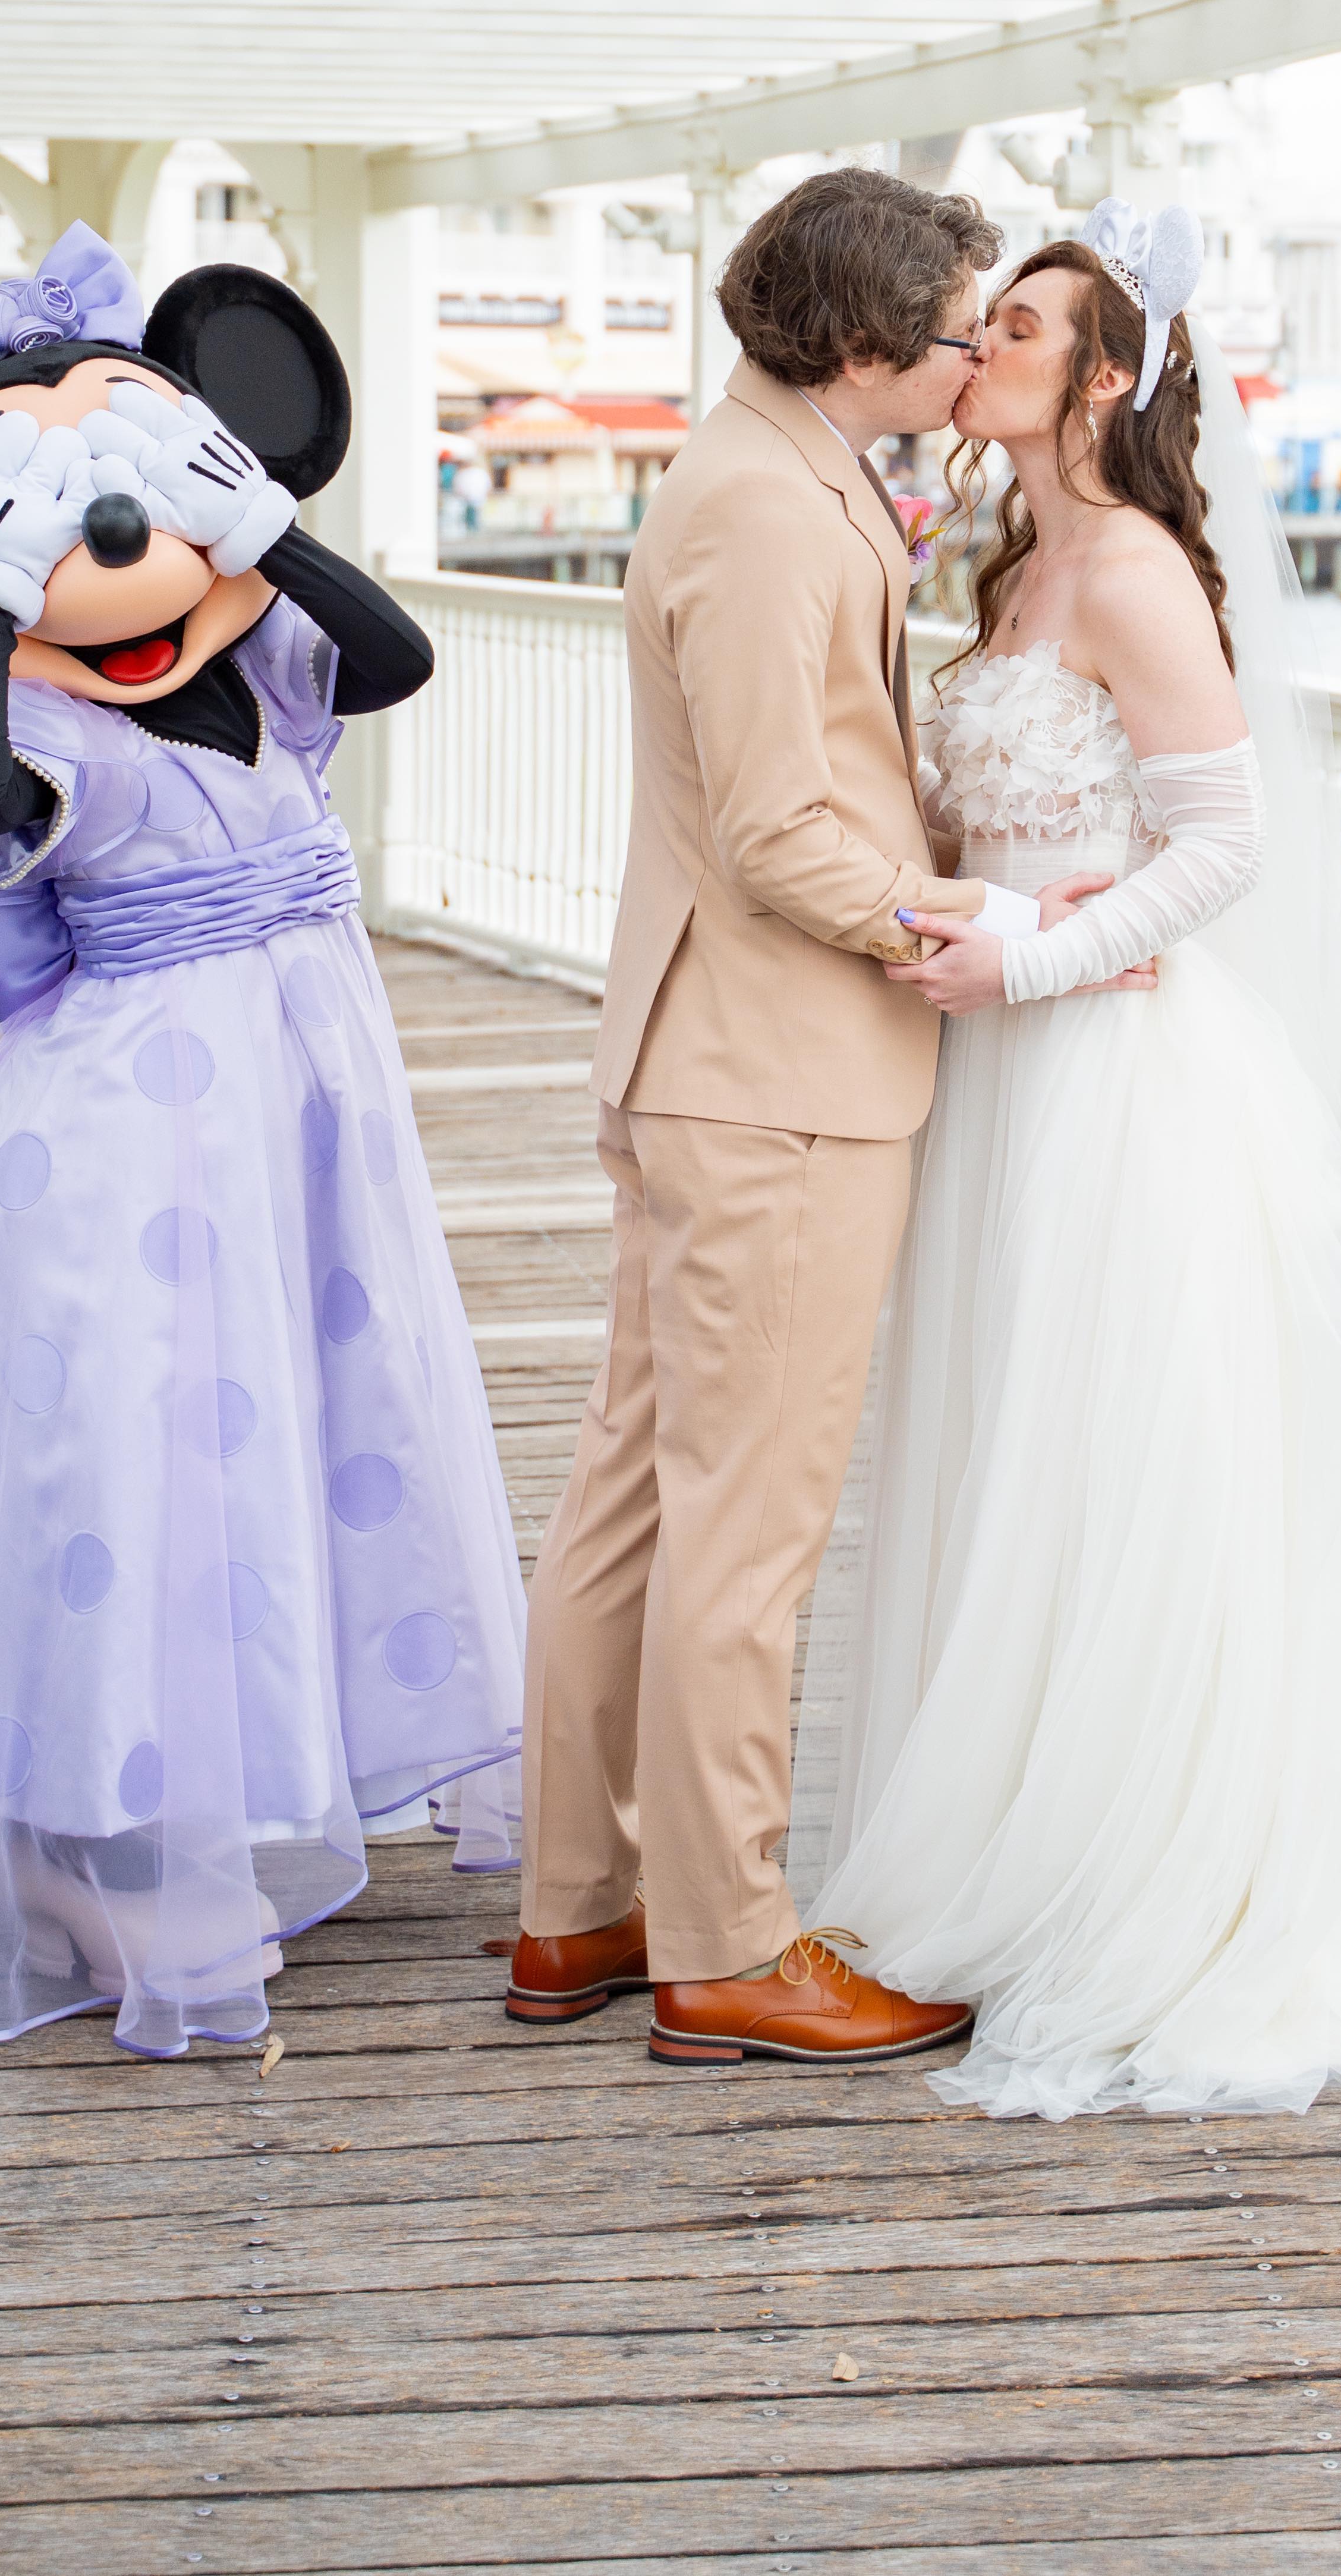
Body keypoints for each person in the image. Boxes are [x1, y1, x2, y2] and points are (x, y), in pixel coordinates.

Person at [791, 205, 1341, 2118]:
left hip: (1113, 1075)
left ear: (1096, 382)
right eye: (983, 319)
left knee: (1123, 1470)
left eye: (1021, 325)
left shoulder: (1137, 571)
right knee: (1014, 1464)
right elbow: (1013, 804)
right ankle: (1007, 1852)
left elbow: (1220, 847)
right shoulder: (1013, 562)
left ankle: (1149, 1894)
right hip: (1003, 1062)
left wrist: (1042, 947)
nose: (975, 342)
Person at [0, 229, 525, 2055]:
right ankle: (87, 1838)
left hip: (294, 1114)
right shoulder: (39, 720)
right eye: (38, 516)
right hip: (126, 1146)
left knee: (289, 1423)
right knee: (128, 1466)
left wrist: (266, 524)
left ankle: (229, 1779)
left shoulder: (270, 664)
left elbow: (404, 652)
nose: (111, 548)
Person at [509, 166, 1098, 2072]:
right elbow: (780, 836)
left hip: (709, 1062)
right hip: (777, 1076)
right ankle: (728, 1942)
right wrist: (967, 931)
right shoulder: (768, 513)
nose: (969, 359)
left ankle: (580, 1911)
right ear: (861, 342)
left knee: (635, 1506)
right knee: (743, 1532)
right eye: (952, 333)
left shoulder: (772, 469)